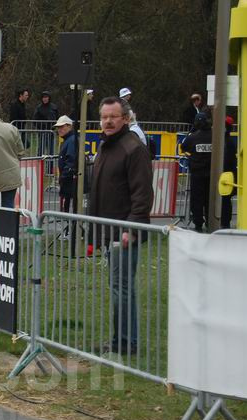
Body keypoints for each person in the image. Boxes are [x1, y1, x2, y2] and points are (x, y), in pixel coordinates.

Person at [89, 96, 153, 356]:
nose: (108, 121)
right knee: (118, 287)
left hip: (124, 232)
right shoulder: (106, 146)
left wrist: (131, 229)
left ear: (125, 119)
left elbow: (142, 194)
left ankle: (127, 343)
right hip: (108, 229)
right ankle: (120, 341)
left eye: (113, 117)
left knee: (122, 288)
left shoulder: (133, 148)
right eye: (104, 117)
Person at [180, 112, 212, 233]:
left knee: (197, 199)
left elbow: (183, 147)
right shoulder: (214, 135)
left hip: (197, 173)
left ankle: (198, 223)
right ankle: (211, 221)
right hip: (211, 173)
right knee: (210, 199)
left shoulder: (192, 137)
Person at [53, 115, 77, 213]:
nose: (59, 129)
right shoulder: (69, 140)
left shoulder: (71, 140)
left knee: (68, 206)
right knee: (67, 205)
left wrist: (64, 176)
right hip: (68, 179)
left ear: (69, 126)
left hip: (69, 180)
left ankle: (71, 225)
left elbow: (71, 160)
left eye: (62, 127)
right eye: (58, 127)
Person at [221, 115, 237, 229]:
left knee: (225, 199)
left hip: (225, 174)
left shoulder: (226, 143)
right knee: (226, 199)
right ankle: (225, 221)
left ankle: (225, 222)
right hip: (229, 174)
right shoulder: (229, 142)